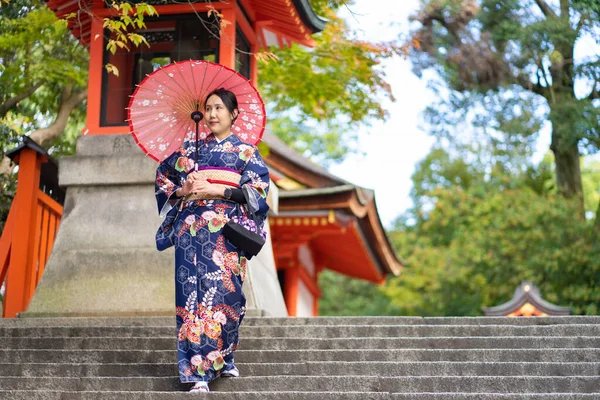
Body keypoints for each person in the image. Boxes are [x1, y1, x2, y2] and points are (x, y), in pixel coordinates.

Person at [154, 88, 270, 393]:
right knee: (192, 299)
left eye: (220, 108)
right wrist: (183, 189)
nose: (213, 114)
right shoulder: (187, 151)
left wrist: (220, 191)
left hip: (226, 234)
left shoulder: (246, 153)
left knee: (229, 299)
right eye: (208, 108)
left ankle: (225, 355)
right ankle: (198, 373)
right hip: (191, 234)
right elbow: (163, 178)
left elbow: (258, 192)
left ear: (234, 115)